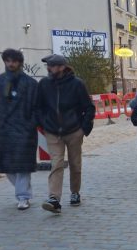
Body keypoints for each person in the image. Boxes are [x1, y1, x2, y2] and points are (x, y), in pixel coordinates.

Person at [35, 54, 95, 215]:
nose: (49, 68)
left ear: (62, 67)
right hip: (53, 131)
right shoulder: (44, 84)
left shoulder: (77, 84)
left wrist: (84, 128)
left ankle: (75, 192)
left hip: (74, 130)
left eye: (52, 66)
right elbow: (38, 107)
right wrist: (43, 123)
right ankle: (54, 199)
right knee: (57, 163)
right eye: (48, 66)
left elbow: (89, 107)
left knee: (75, 163)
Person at [0, 48, 38, 210]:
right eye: (8, 61)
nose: (11, 64)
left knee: (22, 165)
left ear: (20, 63)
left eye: (14, 61)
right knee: (6, 165)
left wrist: (30, 124)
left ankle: (23, 197)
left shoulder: (30, 84)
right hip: (2, 130)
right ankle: (22, 192)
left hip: (23, 130)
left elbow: (37, 107)